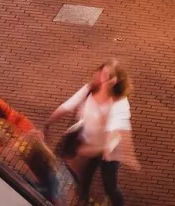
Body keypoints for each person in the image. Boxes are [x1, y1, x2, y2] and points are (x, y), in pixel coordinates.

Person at [49, 63, 133, 206]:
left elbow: (114, 130)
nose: (102, 77)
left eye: (107, 75)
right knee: (84, 182)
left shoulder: (119, 102)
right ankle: (82, 201)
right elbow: (68, 106)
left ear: (115, 80)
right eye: (102, 73)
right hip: (90, 143)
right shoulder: (90, 89)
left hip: (108, 149)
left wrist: (103, 149)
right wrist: (49, 122)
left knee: (110, 187)